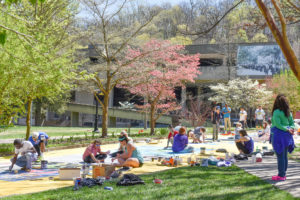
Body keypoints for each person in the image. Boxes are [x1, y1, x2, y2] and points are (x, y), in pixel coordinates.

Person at [270, 94, 295, 181]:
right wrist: (290, 129)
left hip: (278, 136)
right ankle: (283, 174)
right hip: (287, 137)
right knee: (284, 156)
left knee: (280, 156)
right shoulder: (288, 112)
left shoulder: (276, 112)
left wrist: (287, 129)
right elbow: (292, 123)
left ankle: (281, 175)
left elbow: (277, 124)